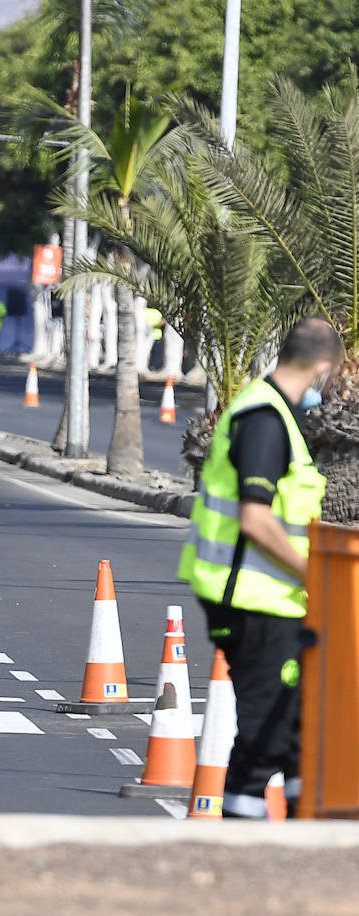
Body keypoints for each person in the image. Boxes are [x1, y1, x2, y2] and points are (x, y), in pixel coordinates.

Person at [177, 316, 342, 819]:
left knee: (298, 729)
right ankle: (239, 836)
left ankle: (304, 832)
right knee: (268, 729)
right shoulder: (265, 420)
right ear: (321, 367)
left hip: (274, 597)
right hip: (251, 598)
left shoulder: (280, 415)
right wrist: (315, 576)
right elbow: (256, 519)